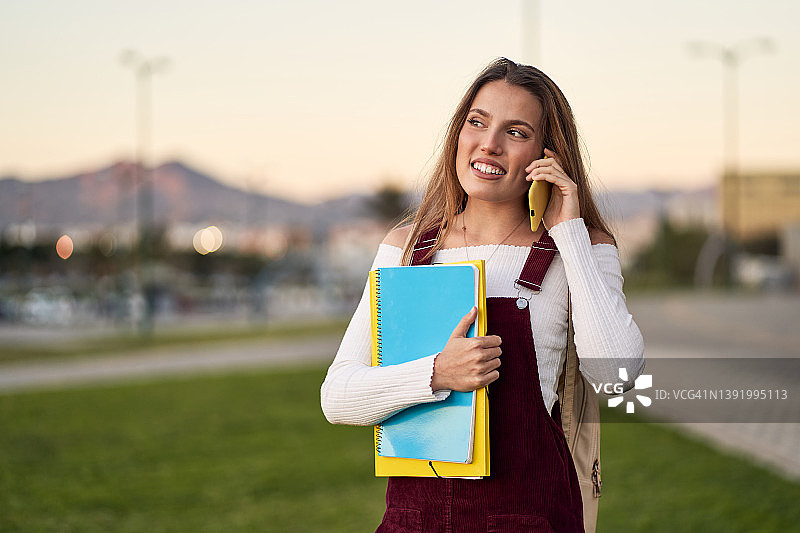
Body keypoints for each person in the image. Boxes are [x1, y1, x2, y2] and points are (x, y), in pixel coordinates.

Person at [321, 57, 645, 533]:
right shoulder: (406, 249)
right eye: (478, 122)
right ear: (459, 132)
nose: (489, 144)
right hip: (414, 520)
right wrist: (436, 373)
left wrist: (569, 231)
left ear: (547, 155)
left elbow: (618, 376)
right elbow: (338, 397)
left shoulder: (579, 248)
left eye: (516, 132)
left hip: (529, 517)